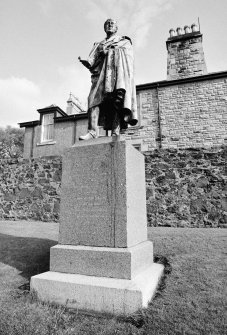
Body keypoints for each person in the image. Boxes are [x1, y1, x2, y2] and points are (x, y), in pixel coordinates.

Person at [78, 19, 137, 140]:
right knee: (92, 100)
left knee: (115, 101)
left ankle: (116, 131)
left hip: (116, 74)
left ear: (116, 28)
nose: (109, 25)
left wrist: (110, 51)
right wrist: (88, 62)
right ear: (104, 28)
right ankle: (93, 132)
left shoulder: (123, 41)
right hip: (100, 76)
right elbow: (92, 63)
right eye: (107, 23)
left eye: (112, 24)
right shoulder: (98, 44)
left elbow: (129, 58)